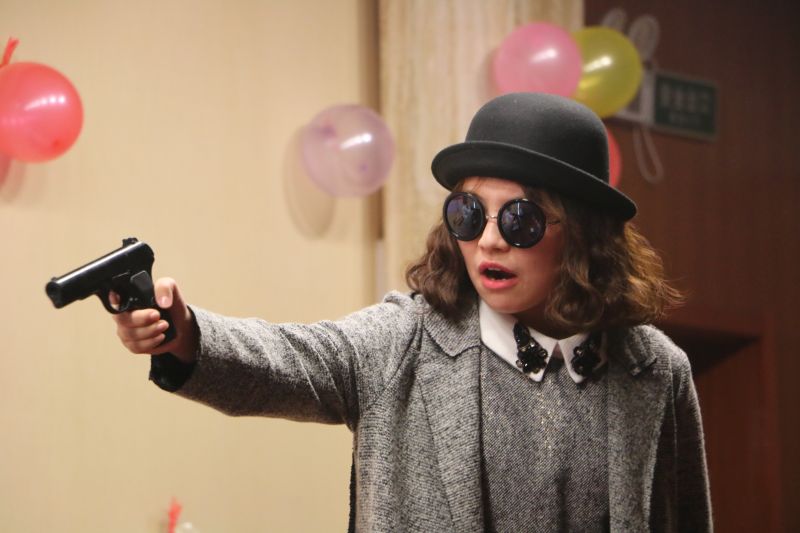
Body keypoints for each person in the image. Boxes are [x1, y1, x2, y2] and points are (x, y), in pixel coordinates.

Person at [113, 92, 712, 532]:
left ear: (582, 235)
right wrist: (184, 334)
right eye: (468, 215)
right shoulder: (405, 341)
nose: (489, 241)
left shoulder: (656, 372)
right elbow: (294, 359)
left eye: (521, 220)